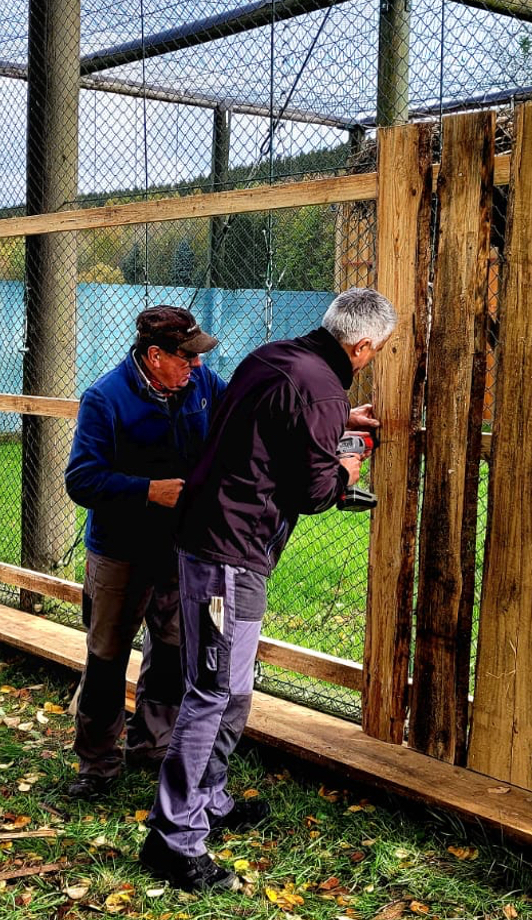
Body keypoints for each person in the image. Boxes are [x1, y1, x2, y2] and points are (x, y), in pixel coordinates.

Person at [139, 288, 395, 892]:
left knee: (232, 690)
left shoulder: (277, 357)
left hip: (212, 536)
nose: (375, 357)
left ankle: (211, 801)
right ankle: (174, 841)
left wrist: (335, 423)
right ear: (361, 347)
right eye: (377, 350)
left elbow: (275, 423)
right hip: (229, 553)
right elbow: (313, 491)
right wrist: (348, 466)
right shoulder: (324, 389)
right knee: (213, 693)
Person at [63, 306, 227, 799]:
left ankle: (152, 745)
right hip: (120, 552)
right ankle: (97, 764)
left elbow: (242, 412)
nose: (197, 367)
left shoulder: (201, 386)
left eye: (198, 358)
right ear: (154, 356)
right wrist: (145, 491)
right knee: (107, 658)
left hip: (179, 550)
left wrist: (333, 415)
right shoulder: (106, 399)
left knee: (173, 653)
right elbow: (80, 479)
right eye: (186, 358)